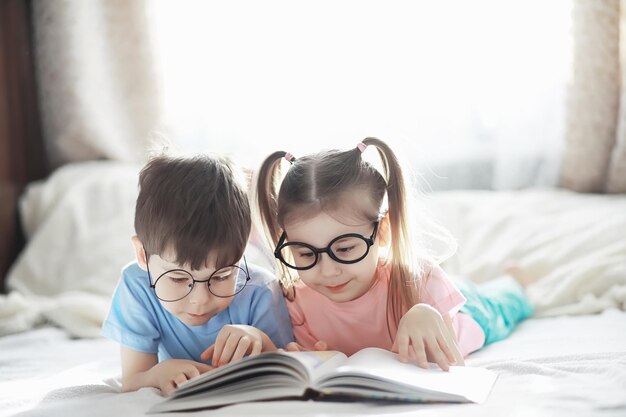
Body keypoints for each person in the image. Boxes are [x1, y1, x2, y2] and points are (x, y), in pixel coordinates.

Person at [255, 137, 533, 371]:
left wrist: (427, 313)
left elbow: (449, 361)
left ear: (384, 231)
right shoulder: (295, 301)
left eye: (345, 249)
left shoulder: (421, 279)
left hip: (467, 313)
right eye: (305, 254)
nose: (327, 271)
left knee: (501, 304)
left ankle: (515, 281)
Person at [102, 153, 294, 396]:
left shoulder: (260, 290)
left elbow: (286, 368)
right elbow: (132, 379)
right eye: (179, 279)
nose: (200, 300)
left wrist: (261, 341)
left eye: (222, 275)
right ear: (143, 255)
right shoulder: (136, 287)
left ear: (242, 251)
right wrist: (158, 374)